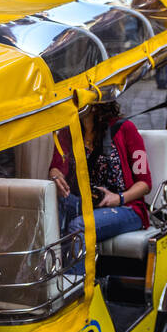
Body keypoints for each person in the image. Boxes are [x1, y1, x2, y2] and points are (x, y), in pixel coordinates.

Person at [49, 101, 151, 272]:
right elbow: (58, 167)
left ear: (95, 104)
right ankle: (42, 280)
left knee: (79, 226)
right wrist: (54, 172)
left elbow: (145, 183)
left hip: (126, 207)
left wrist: (118, 198)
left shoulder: (125, 129)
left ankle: (76, 287)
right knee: (45, 209)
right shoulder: (68, 133)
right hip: (84, 203)